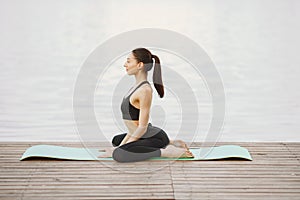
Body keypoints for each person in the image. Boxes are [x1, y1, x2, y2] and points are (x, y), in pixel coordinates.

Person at [99, 48, 194, 162]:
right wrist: (118, 147)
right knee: (116, 141)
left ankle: (167, 152)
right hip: (142, 134)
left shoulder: (145, 90)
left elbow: (142, 127)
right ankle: (171, 142)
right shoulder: (134, 87)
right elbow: (132, 129)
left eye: (129, 61)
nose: (125, 64)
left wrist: (119, 150)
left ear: (139, 65)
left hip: (151, 135)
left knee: (120, 155)